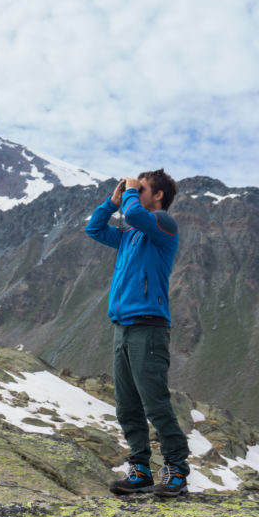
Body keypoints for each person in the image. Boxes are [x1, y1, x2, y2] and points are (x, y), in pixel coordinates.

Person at [85, 168, 190, 497]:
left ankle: (176, 470)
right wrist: (111, 201)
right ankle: (140, 470)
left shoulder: (164, 226)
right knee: (127, 405)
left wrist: (128, 196)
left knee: (155, 404)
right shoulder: (129, 234)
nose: (134, 191)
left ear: (157, 195)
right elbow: (94, 228)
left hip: (149, 327)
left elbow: (134, 213)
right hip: (123, 327)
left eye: (141, 187)